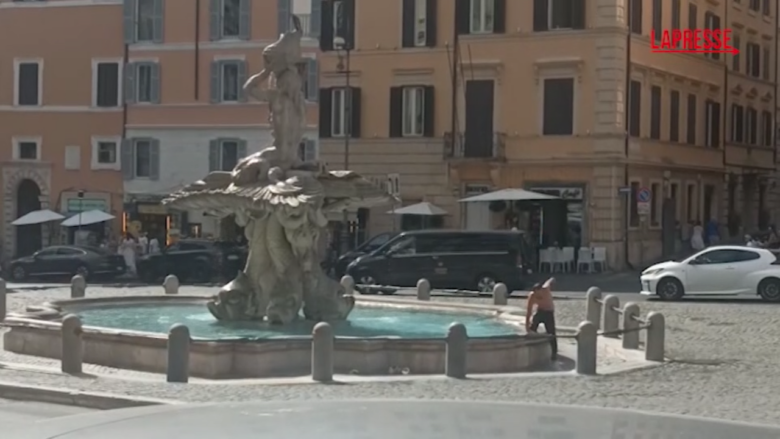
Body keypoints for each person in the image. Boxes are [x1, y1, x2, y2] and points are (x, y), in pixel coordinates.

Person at [525, 277, 557, 361]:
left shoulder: (546, 289)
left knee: (551, 332)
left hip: (549, 312)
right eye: (536, 294)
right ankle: (532, 346)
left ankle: (554, 353)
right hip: (540, 311)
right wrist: (527, 326)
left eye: (539, 294)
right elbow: (528, 311)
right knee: (533, 327)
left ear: (541, 290)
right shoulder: (532, 296)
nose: (538, 296)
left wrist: (552, 280)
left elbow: (549, 281)